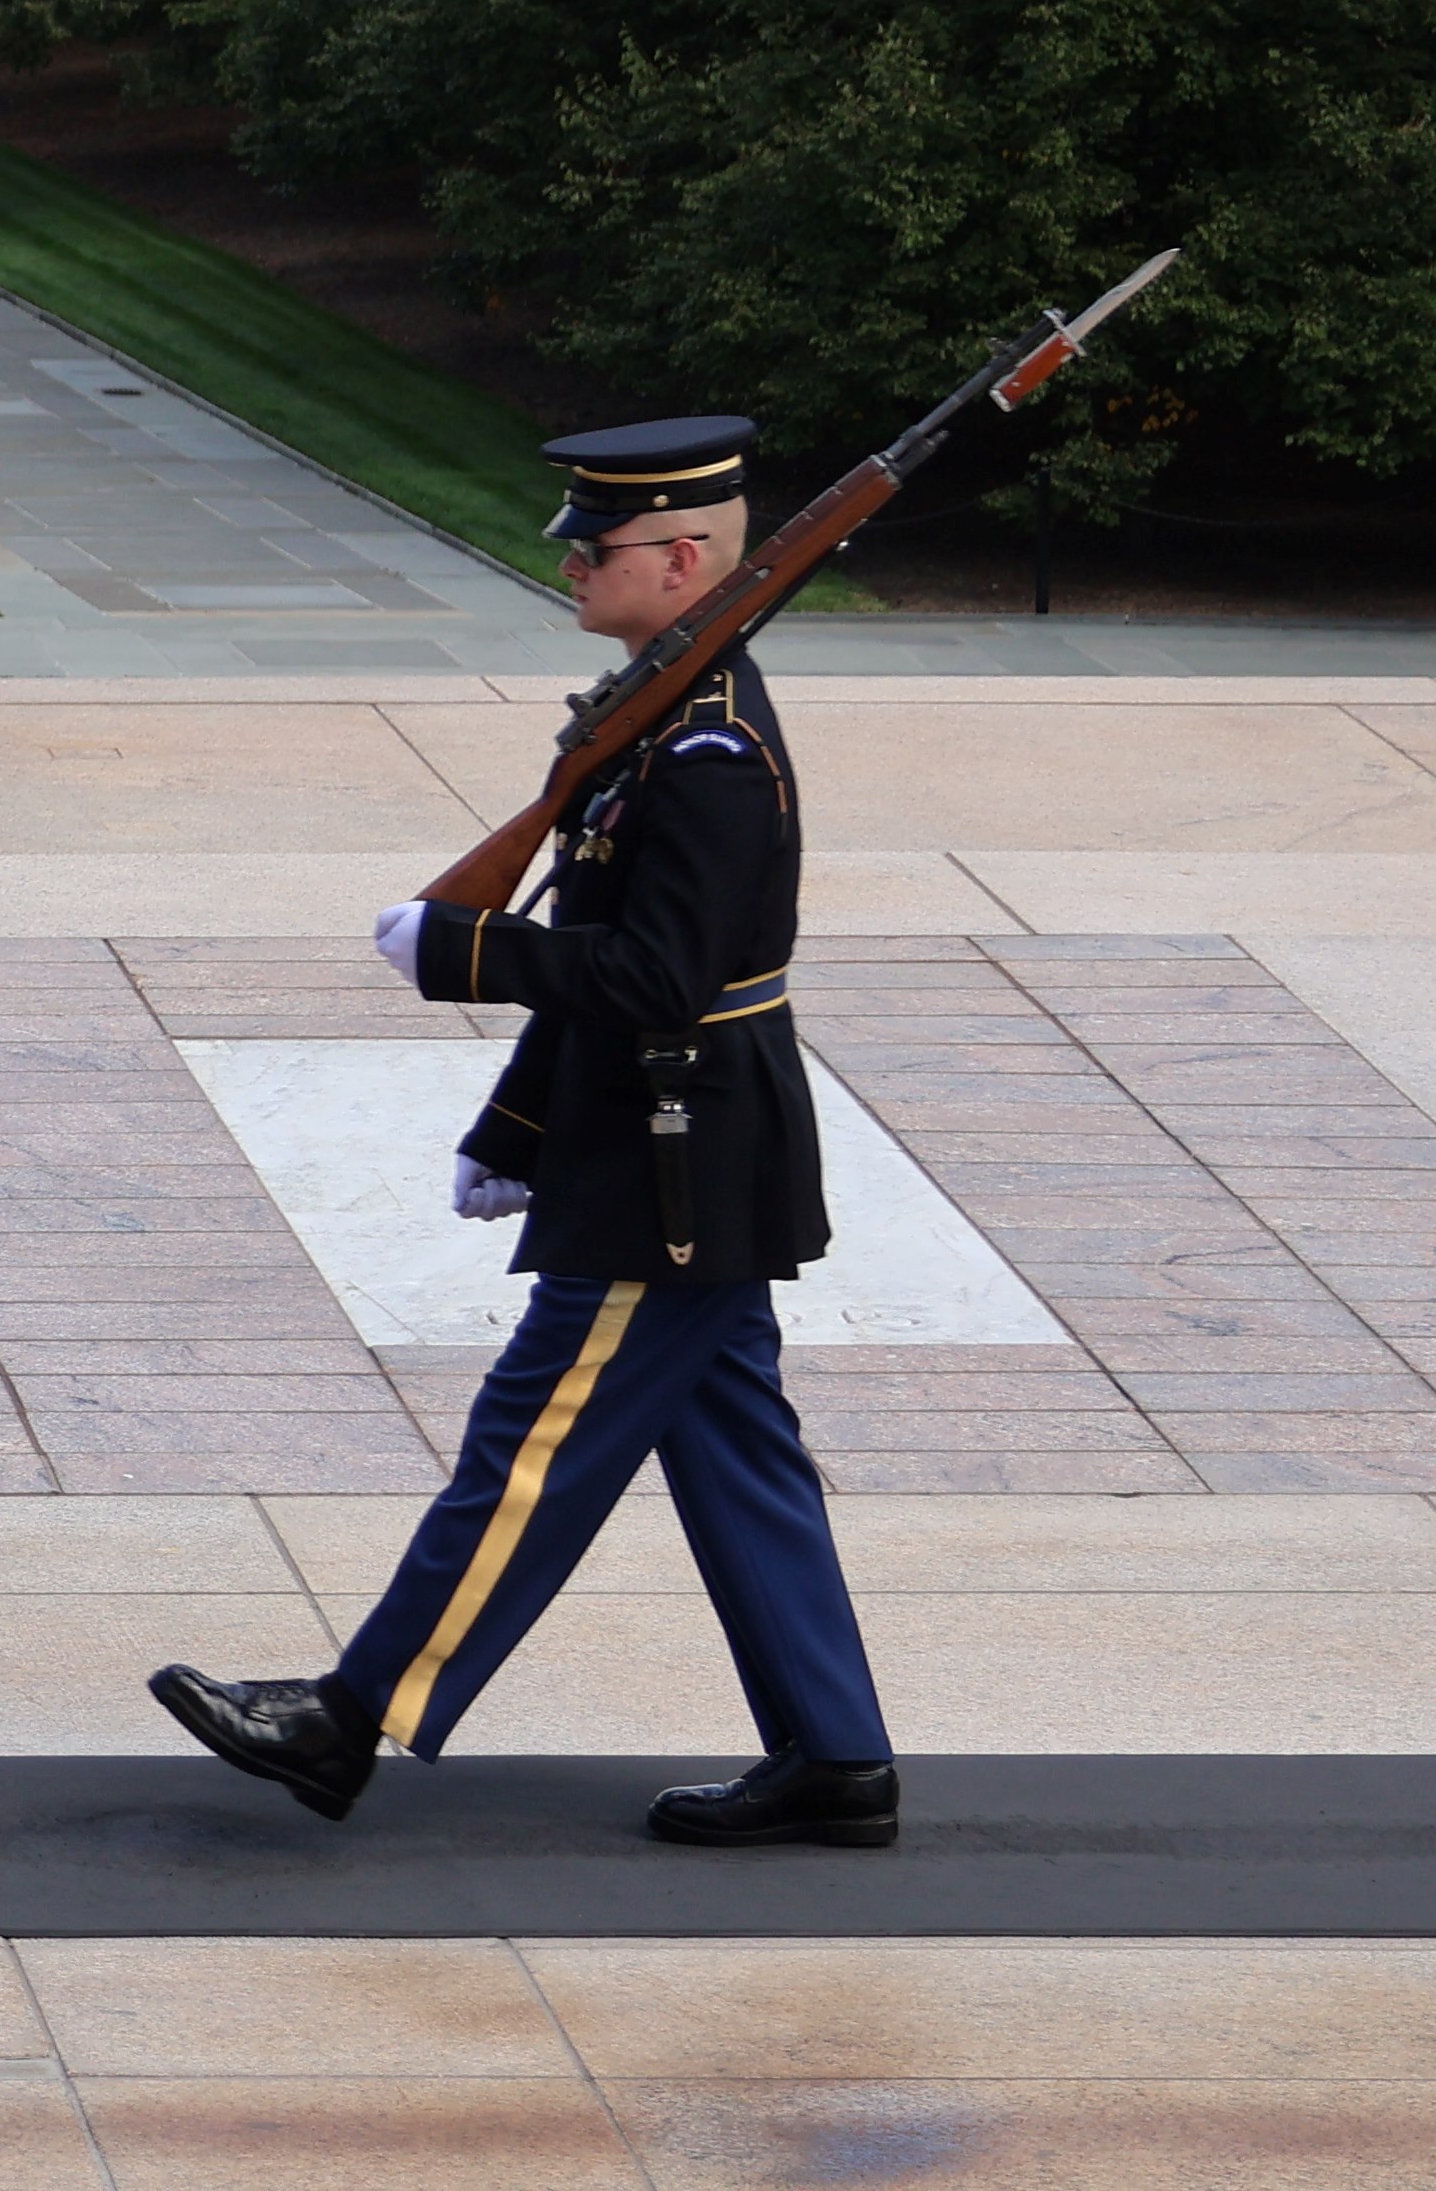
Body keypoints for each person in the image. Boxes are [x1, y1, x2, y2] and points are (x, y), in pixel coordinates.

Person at [149, 416, 897, 1846]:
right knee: (735, 1446)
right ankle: (835, 1753)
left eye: (594, 541)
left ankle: (347, 1718)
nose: (565, 555)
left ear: (685, 561)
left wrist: (464, 957)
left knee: (534, 1442)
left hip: (676, 1158)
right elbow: (622, 955)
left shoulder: (713, 750)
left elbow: (657, 980)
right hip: (668, 1137)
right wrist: (521, 1122)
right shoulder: (668, 711)